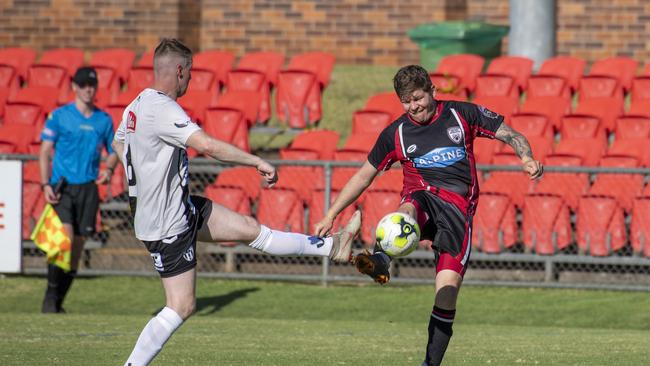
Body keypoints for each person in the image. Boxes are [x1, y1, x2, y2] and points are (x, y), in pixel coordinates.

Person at [112, 38, 360, 366]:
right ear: (180, 71)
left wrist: (146, 177)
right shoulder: (163, 108)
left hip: (179, 209)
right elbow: (209, 147)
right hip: (166, 223)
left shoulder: (136, 105)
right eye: (190, 74)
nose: (190, 81)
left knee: (251, 229)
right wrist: (255, 161)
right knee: (181, 306)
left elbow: (118, 144)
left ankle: (333, 246)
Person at [314, 65, 543, 365]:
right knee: (408, 210)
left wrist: (526, 156)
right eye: (406, 102)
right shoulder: (396, 132)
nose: (414, 107)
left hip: (457, 214)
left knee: (446, 295)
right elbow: (362, 177)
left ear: (433, 91)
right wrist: (331, 214)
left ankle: (429, 364)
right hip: (421, 198)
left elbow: (510, 134)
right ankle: (380, 260)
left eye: (418, 98)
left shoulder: (462, 115)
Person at [39, 66, 119, 313]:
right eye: (83, 84)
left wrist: (109, 168)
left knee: (77, 248)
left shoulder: (103, 120)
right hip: (62, 188)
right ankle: (50, 298)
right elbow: (44, 151)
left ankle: (58, 302)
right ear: (74, 87)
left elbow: (115, 150)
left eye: (92, 85)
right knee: (64, 238)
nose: (88, 89)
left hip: (88, 189)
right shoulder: (59, 116)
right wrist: (45, 185)